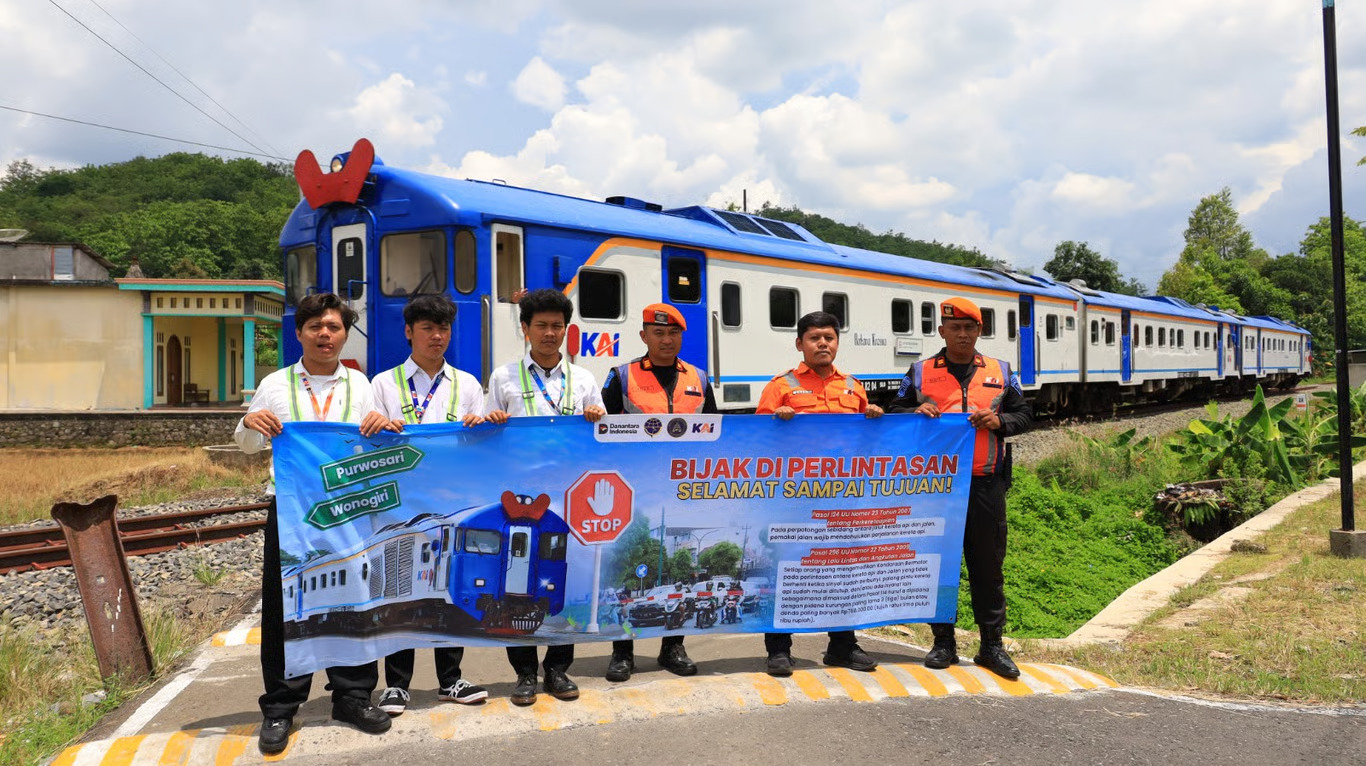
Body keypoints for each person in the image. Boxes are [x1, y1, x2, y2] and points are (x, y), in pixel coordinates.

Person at [235, 293, 399, 754]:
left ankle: (352, 696)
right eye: (315, 327)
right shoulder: (275, 384)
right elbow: (246, 444)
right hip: (291, 512)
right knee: (286, 607)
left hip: (349, 509)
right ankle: (281, 707)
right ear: (300, 333)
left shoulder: (361, 385)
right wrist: (250, 421)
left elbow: (378, 446)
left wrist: (381, 424)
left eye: (334, 327)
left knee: (355, 600)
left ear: (344, 334)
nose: (325, 335)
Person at [887, 296, 1032, 680]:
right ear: (942, 331)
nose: (963, 334)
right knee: (939, 565)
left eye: (970, 327)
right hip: (936, 488)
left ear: (980, 331)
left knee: (988, 567)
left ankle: (991, 646)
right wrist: (914, 412)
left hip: (986, 485)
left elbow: (1025, 414)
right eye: (955, 328)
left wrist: (999, 422)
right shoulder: (919, 372)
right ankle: (943, 643)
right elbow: (893, 412)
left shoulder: (1001, 371)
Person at [368, 294, 489, 715]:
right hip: (400, 504)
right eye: (427, 328)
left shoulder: (468, 385)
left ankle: (450, 680)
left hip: (450, 502)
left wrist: (479, 427)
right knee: (400, 590)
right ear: (409, 332)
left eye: (444, 328)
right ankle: (396, 684)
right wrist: (380, 427)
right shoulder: (383, 384)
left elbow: (480, 447)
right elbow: (368, 439)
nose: (437, 336)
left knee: (447, 588)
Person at [484, 288, 606, 705]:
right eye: (541, 325)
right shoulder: (502, 377)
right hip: (518, 498)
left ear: (566, 329)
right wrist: (492, 419)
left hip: (566, 498)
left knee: (556, 584)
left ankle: (557, 669)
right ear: (525, 328)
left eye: (557, 326)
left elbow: (601, 436)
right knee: (509, 585)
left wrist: (597, 417)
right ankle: (524, 674)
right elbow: (485, 433)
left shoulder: (584, 379)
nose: (550, 333)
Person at [755, 310, 883, 677]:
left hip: (842, 498)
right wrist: (775, 422)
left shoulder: (854, 387)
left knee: (842, 570)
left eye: (829, 337)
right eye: (814, 338)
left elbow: (870, 443)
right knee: (785, 569)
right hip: (794, 498)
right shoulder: (780, 386)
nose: (822, 343)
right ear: (800, 344)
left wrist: (876, 416)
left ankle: (842, 646)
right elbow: (756, 442)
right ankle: (779, 649)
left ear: (837, 343)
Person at [599, 302, 715, 682]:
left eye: (673, 333)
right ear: (644, 336)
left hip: (682, 488)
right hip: (634, 488)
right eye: (659, 333)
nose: (666, 340)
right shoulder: (621, 376)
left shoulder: (699, 378)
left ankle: (672, 648)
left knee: (674, 579)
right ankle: (622, 652)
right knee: (627, 570)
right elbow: (599, 432)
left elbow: (716, 431)